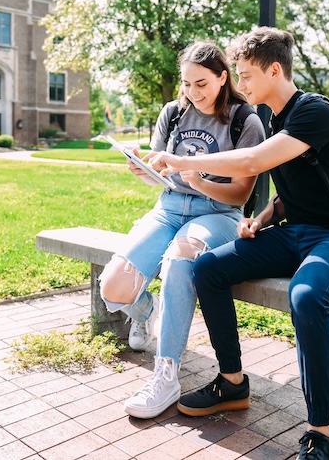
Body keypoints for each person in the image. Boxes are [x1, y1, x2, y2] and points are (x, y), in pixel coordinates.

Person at [148, 27, 329, 460]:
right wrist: (264, 218)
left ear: (275, 69)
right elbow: (298, 188)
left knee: (306, 295)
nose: (241, 84)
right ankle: (232, 382)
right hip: (295, 233)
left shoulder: (313, 111)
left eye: (247, 75)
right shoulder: (272, 117)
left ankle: (320, 431)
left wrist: (181, 160)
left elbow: (254, 161)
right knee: (208, 268)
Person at [99, 40, 265, 419]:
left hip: (218, 213)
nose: (193, 93)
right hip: (170, 208)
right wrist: (144, 171)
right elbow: (162, 177)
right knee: (114, 286)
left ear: (223, 77)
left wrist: (201, 180)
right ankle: (148, 310)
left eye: (202, 84)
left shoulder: (244, 121)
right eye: (187, 84)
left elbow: (241, 191)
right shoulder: (173, 113)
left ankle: (166, 374)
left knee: (180, 259)